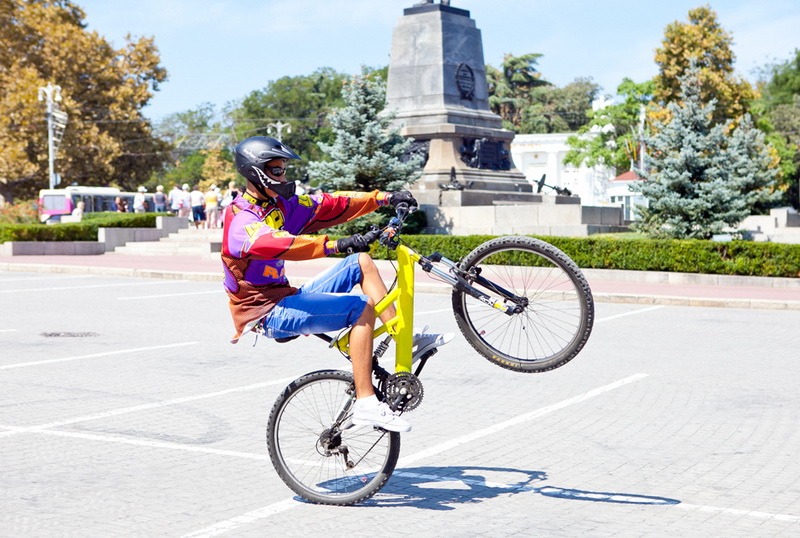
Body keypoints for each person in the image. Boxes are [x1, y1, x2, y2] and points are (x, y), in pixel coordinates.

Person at [222, 136, 452, 433]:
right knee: (360, 308)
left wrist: (384, 198)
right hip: (266, 313)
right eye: (278, 171)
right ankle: (367, 404)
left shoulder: (279, 205)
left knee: (362, 261)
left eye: (284, 170)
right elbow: (286, 245)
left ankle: (403, 339)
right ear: (256, 172)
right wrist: (337, 244)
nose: (285, 177)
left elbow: (329, 203)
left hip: (286, 295)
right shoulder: (241, 220)